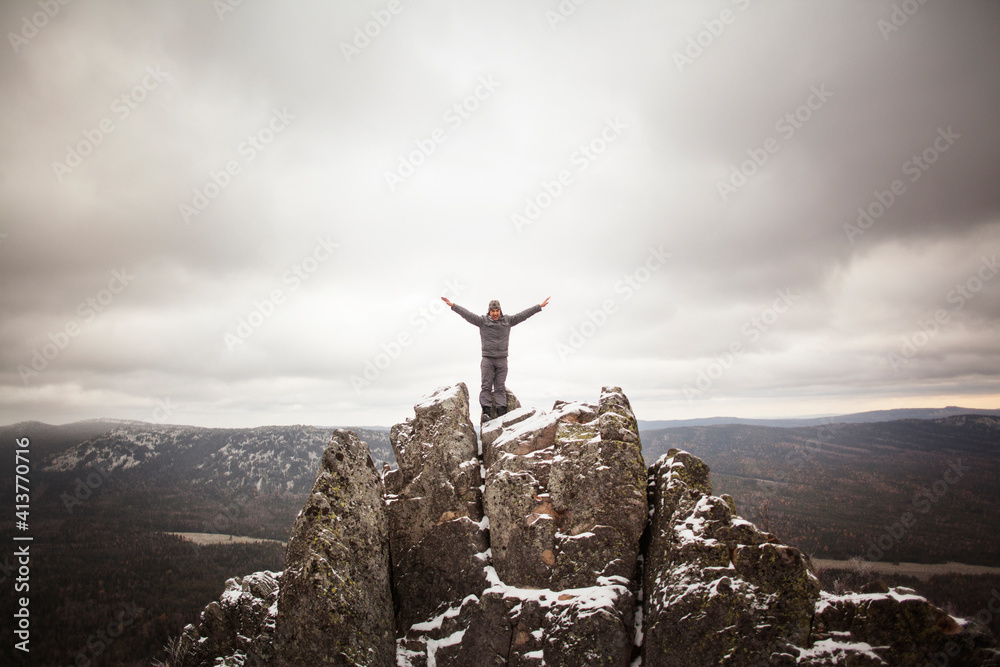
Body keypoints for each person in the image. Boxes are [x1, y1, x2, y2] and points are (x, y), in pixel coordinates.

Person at [442, 296, 550, 424]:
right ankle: (486, 412)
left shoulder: (508, 321)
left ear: (500, 311)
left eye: (497, 310)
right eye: (492, 311)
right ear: (489, 312)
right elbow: (468, 315)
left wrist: (539, 306)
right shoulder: (482, 321)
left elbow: (523, 315)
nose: (495, 313)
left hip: (502, 359)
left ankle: (501, 413)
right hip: (487, 359)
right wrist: (453, 306)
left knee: (500, 387)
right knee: (486, 385)